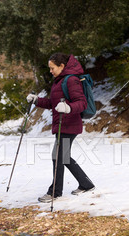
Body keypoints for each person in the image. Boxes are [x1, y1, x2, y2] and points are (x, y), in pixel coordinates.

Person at [27, 53, 95, 203]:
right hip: (62, 125)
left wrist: (68, 108)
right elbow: (53, 104)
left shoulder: (71, 80)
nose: (50, 71)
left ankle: (55, 193)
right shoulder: (60, 81)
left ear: (62, 66)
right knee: (63, 157)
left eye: (52, 68)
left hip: (69, 124)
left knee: (57, 157)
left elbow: (81, 103)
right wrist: (37, 100)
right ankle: (86, 184)